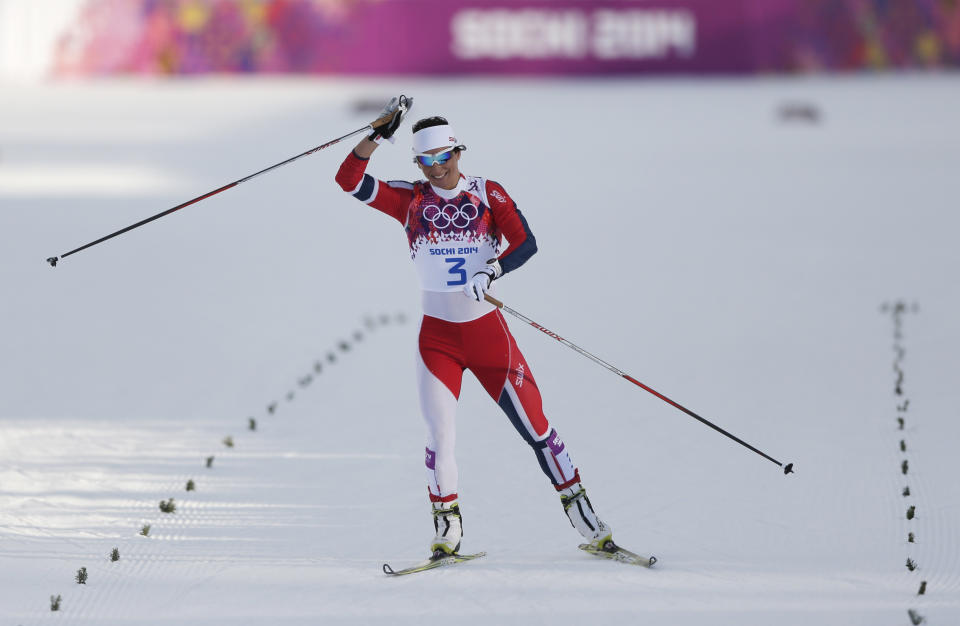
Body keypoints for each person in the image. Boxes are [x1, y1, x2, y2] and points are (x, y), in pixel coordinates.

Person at [335, 97, 613, 556]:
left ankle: (583, 513)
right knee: (440, 435)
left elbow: (526, 242)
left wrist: (492, 271)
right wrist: (377, 134)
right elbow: (348, 181)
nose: (435, 169)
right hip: (438, 340)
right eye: (425, 160)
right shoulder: (410, 200)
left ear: (458, 153)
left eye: (442, 157)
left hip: (487, 336)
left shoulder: (487, 193)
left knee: (537, 427)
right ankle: (447, 528)